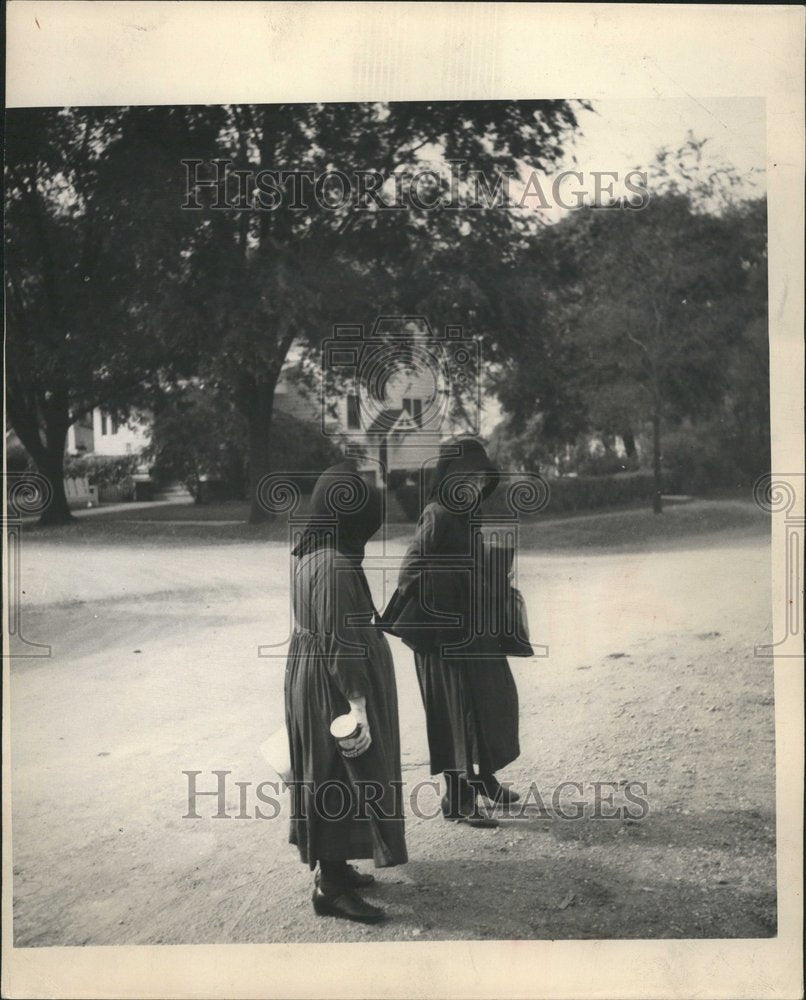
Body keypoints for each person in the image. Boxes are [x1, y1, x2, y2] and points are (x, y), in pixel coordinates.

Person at [284, 462, 407, 923]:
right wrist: (358, 703)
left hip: (312, 678)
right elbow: (340, 640)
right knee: (341, 773)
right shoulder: (333, 566)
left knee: (332, 774)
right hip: (333, 686)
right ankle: (330, 888)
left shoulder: (310, 554)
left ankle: (335, 867)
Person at [383, 437, 521, 825]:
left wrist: (490, 574)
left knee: (489, 701)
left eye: (481, 480)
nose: (476, 487)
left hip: (471, 632)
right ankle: (457, 800)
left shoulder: (466, 515)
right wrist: (460, 582)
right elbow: (410, 573)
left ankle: (483, 779)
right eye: (469, 479)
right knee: (454, 713)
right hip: (441, 638)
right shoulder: (439, 514)